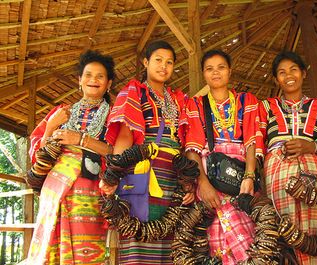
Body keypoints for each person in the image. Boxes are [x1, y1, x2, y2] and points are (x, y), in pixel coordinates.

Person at [99, 40, 193, 264]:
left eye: (169, 62)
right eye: (158, 60)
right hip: (141, 173)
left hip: (172, 178)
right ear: (146, 62)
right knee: (138, 233)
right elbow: (124, 135)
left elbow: (188, 142)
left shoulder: (180, 99)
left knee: (169, 237)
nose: (164, 66)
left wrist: (189, 182)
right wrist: (113, 175)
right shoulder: (135, 92)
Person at [256, 51, 317, 265]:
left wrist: (311, 146)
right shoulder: (266, 107)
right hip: (278, 176)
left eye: (294, 69)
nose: (288, 75)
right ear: (276, 78)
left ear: (303, 73)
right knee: (284, 230)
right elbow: (256, 142)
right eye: (281, 72)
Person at [26, 50, 115, 264]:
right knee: (50, 244)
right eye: (88, 75)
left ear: (109, 84)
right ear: (80, 80)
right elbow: (38, 154)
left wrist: (80, 140)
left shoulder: (114, 116)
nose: (93, 80)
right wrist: (50, 127)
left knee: (88, 245)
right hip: (55, 188)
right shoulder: (60, 112)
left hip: (90, 190)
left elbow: (116, 153)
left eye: (100, 76)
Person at [184, 49, 260, 264]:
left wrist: (249, 176)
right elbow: (192, 148)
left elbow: (252, 141)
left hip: (241, 179)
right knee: (216, 239)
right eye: (209, 69)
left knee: (250, 236)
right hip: (210, 176)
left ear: (230, 71)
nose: (215, 73)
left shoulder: (246, 101)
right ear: (203, 74)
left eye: (221, 67)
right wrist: (203, 183)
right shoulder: (196, 105)